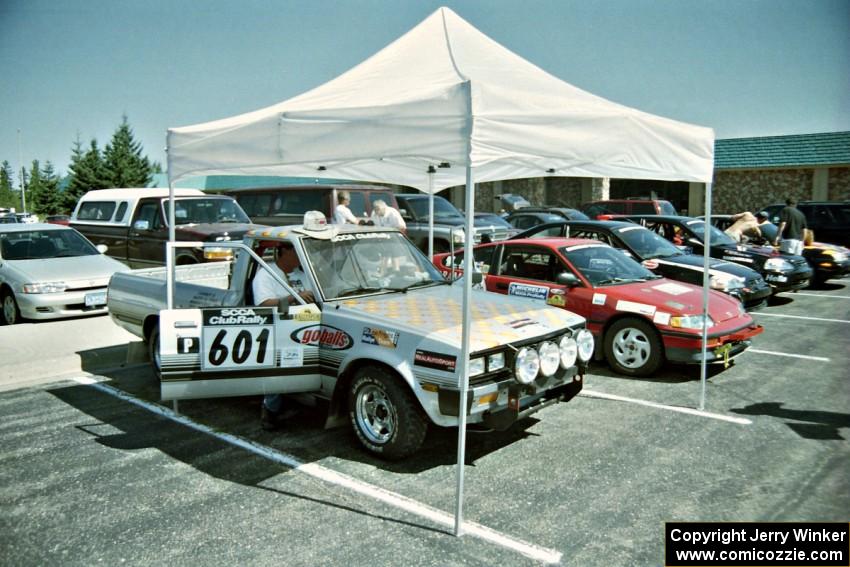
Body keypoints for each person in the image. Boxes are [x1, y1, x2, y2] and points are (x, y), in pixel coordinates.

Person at [252, 242, 315, 430]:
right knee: (280, 366)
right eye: (297, 251)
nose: (301, 256)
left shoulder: (302, 274)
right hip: (276, 330)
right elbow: (263, 305)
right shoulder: (266, 274)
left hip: (305, 327)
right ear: (285, 251)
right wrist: (293, 298)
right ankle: (269, 411)